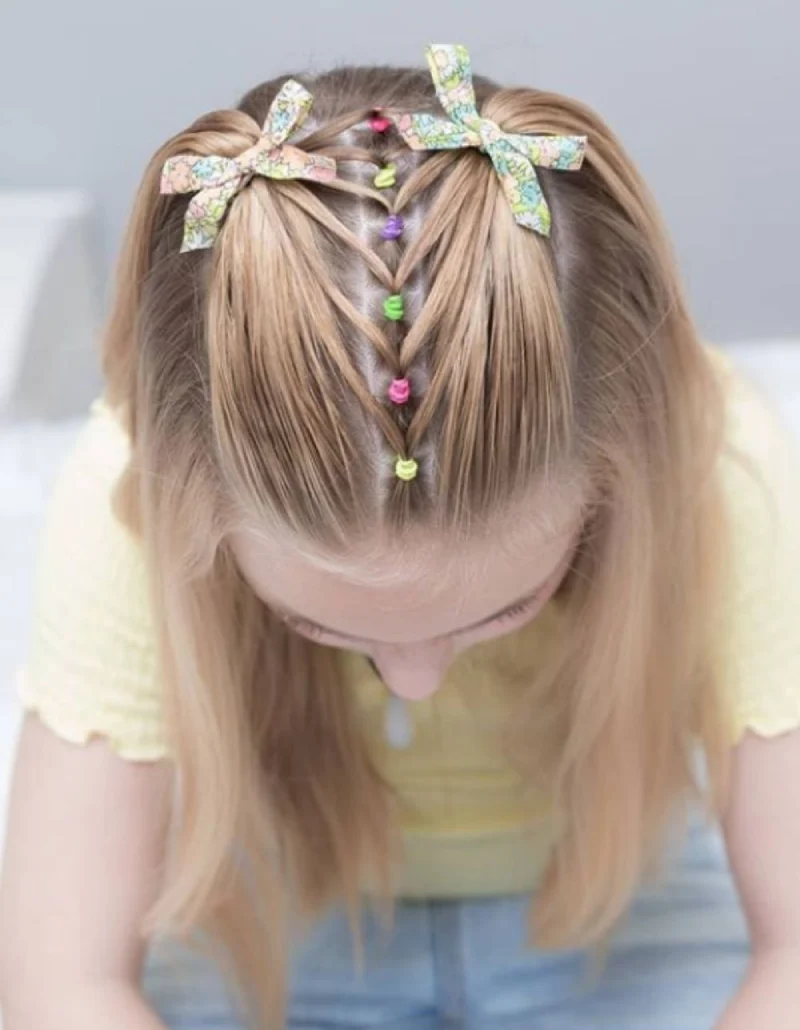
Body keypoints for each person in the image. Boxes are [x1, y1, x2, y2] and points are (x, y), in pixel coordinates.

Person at [2, 42, 800, 1030]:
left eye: (505, 605)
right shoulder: (130, 494)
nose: (415, 678)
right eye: (317, 623)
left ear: (617, 473)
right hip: (294, 915)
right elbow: (61, 983)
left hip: (612, 917)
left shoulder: (725, 470)